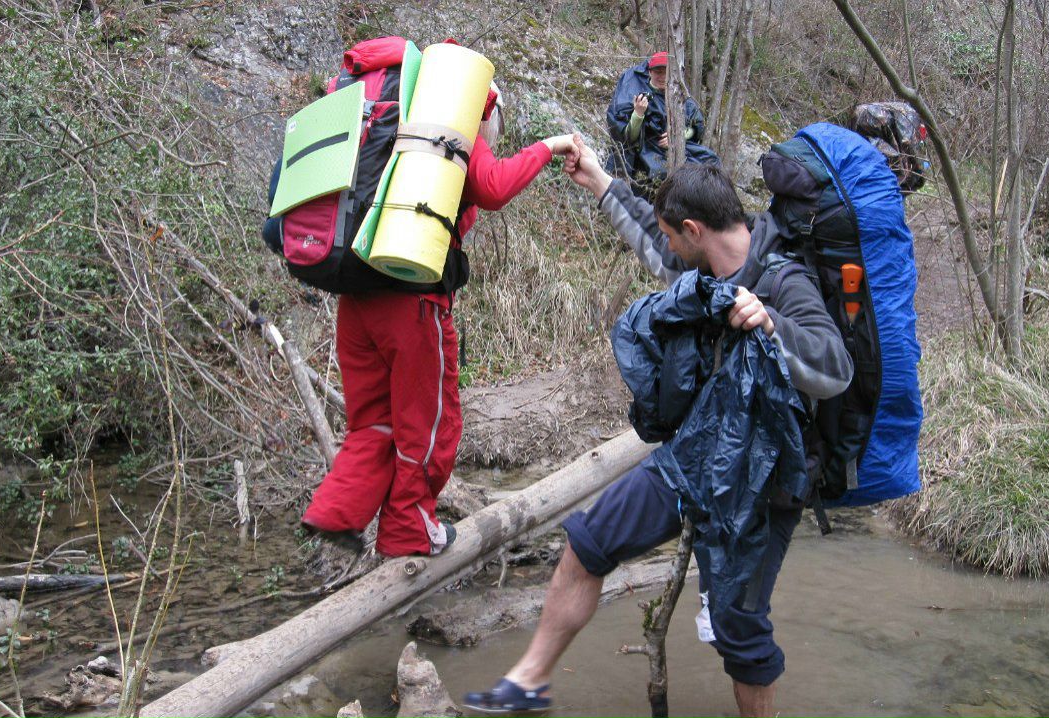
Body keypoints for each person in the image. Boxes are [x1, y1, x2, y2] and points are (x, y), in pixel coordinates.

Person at [463, 139, 852, 717]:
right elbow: (652, 237)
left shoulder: (784, 280)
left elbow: (835, 368)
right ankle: (528, 680)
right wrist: (598, 179)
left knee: (737, 624)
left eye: (675, 236)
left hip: (765, 480)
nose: (667, 246)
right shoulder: (701, 265)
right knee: (589, 541)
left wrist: (771, 325)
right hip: (694, 458)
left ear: (695, 229)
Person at [299, 85, 581, 558]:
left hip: (355, 297)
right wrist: (550, 146)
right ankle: (409, 528)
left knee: (373, 422)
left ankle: (334, 512)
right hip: (410, 304)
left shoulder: (393, 129)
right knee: (429, 423)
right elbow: (494, 187)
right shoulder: (453, 128)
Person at [605, 51, 719, 192]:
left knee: (711, 162)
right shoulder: (637, 95)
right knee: (660, 174)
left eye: (666, 72)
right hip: (646, 149)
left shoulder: (680, 96)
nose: (662, 77)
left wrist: (679, 135)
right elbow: (627, 137)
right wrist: (638, 114)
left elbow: (696, 127)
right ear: (650, 72)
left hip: (677, 148)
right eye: (658, 72)